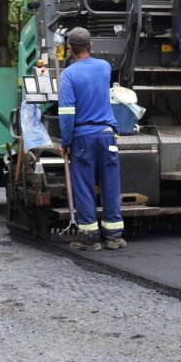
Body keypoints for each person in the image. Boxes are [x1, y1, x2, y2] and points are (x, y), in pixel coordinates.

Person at [58, 27, 125, 251]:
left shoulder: (68, 75)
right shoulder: (105, 67)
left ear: (70, 49)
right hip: (107, 135)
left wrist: (65, 142)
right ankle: (114, 236)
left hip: (83, 138)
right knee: (111, 184)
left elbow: (67, 113)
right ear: (91, 46)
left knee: (84, 186)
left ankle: (90, 238)